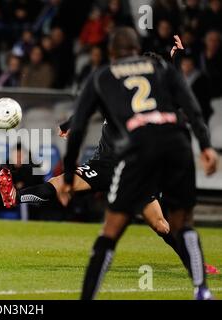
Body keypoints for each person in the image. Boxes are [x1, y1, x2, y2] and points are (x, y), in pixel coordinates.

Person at [62, 27, 218, 300]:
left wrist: (66, 179)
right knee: (183, 224)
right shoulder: (162, 70)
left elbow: (77, 128)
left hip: (138, 148)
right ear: (137, 50)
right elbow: (191, 107)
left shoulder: (104, 76)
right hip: (176, 145)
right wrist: (205, 146)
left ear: (112, 53)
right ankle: (202, 290)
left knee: (110, 231)